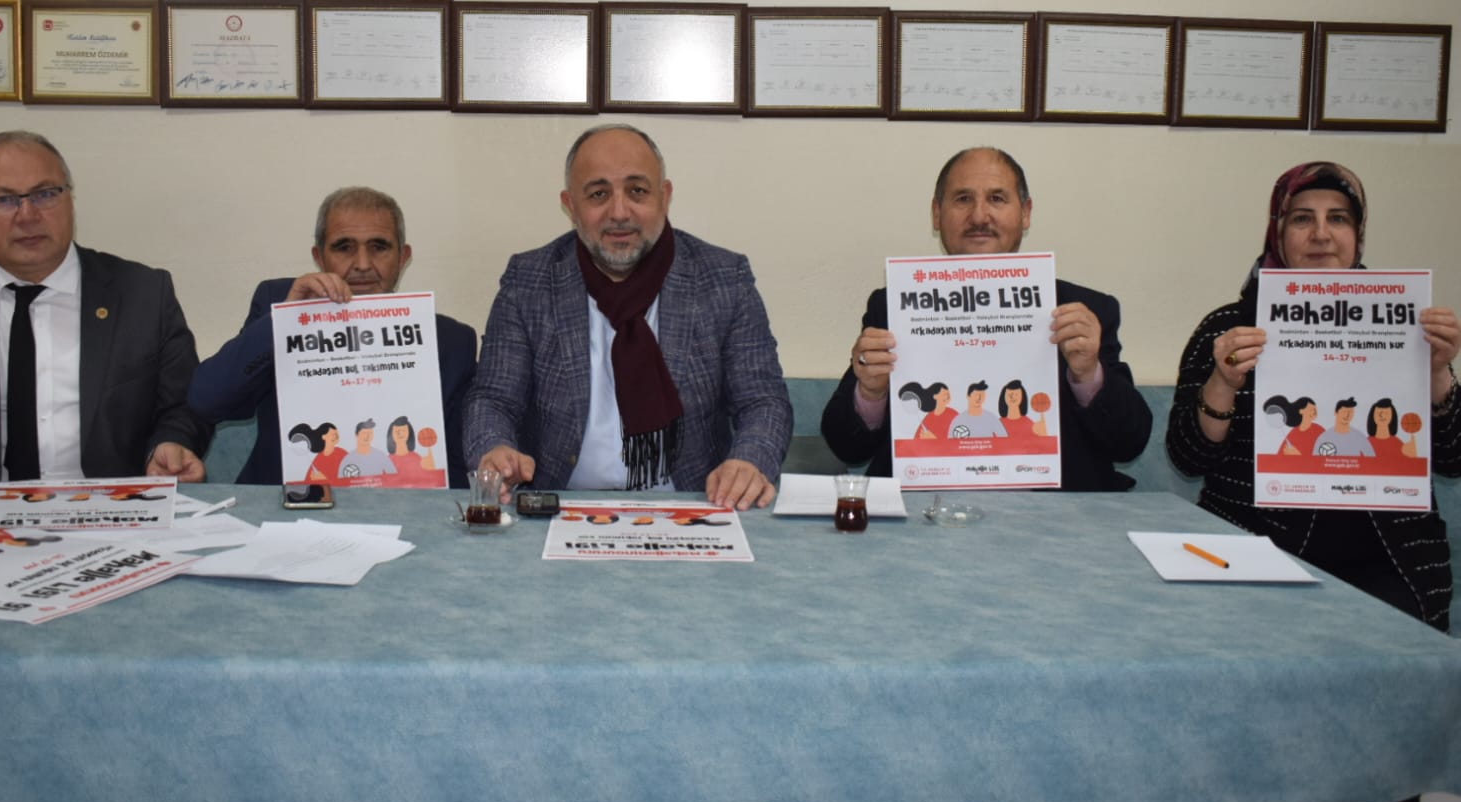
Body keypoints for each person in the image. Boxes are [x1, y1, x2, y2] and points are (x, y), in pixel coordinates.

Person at [1167, 161, 1461, 631]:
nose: (1321, 234)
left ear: (1358, 235)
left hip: (1389, 560)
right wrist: (1223, 381)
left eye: (1338, 218)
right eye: (1302, 218)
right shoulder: (1229, 327)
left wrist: (1438, 372)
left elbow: (1453, 459)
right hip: (1251, 543)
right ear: (1278, 232)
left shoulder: (1407, 325)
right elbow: (1187, 457)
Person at [0, 131, 211, 529]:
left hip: (113, 522)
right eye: (3, 200)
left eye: (45, 194)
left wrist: (170, 444)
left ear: (69, 200)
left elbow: (184, 406)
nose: (27, 215)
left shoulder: (142, 293)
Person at [464, 125, 792, 509]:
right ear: (570, 205)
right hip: (558, 506)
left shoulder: (723, 279)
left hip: (694, 505)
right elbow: (492, 399)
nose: (619, 213)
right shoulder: (529, 281)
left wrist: (750, 460)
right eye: (598, 194)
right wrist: (494, 448)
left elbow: (764, 401)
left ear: (664, 196)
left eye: (637, 191)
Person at [821, 147, 1152, 490]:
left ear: (1026, 213)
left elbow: (1129, 443)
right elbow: (847, 447)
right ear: (937, 214)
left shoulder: (1082, 313)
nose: (979, 216)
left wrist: (1088, 374)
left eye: (996, 198)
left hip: (1054, 514)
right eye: (963, 199)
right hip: (925, 507)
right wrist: (871, 392)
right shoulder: (893, 307)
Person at [188, 186, 476, 487]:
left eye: (379, 247)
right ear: (319, 256)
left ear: (403, 257)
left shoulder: (451, 342)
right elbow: (206, 400)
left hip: (401, 505)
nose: (362, 264)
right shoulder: (280, 303)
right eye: (344, 247)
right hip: (282, 504)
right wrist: (286, 318)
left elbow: (458, 469)